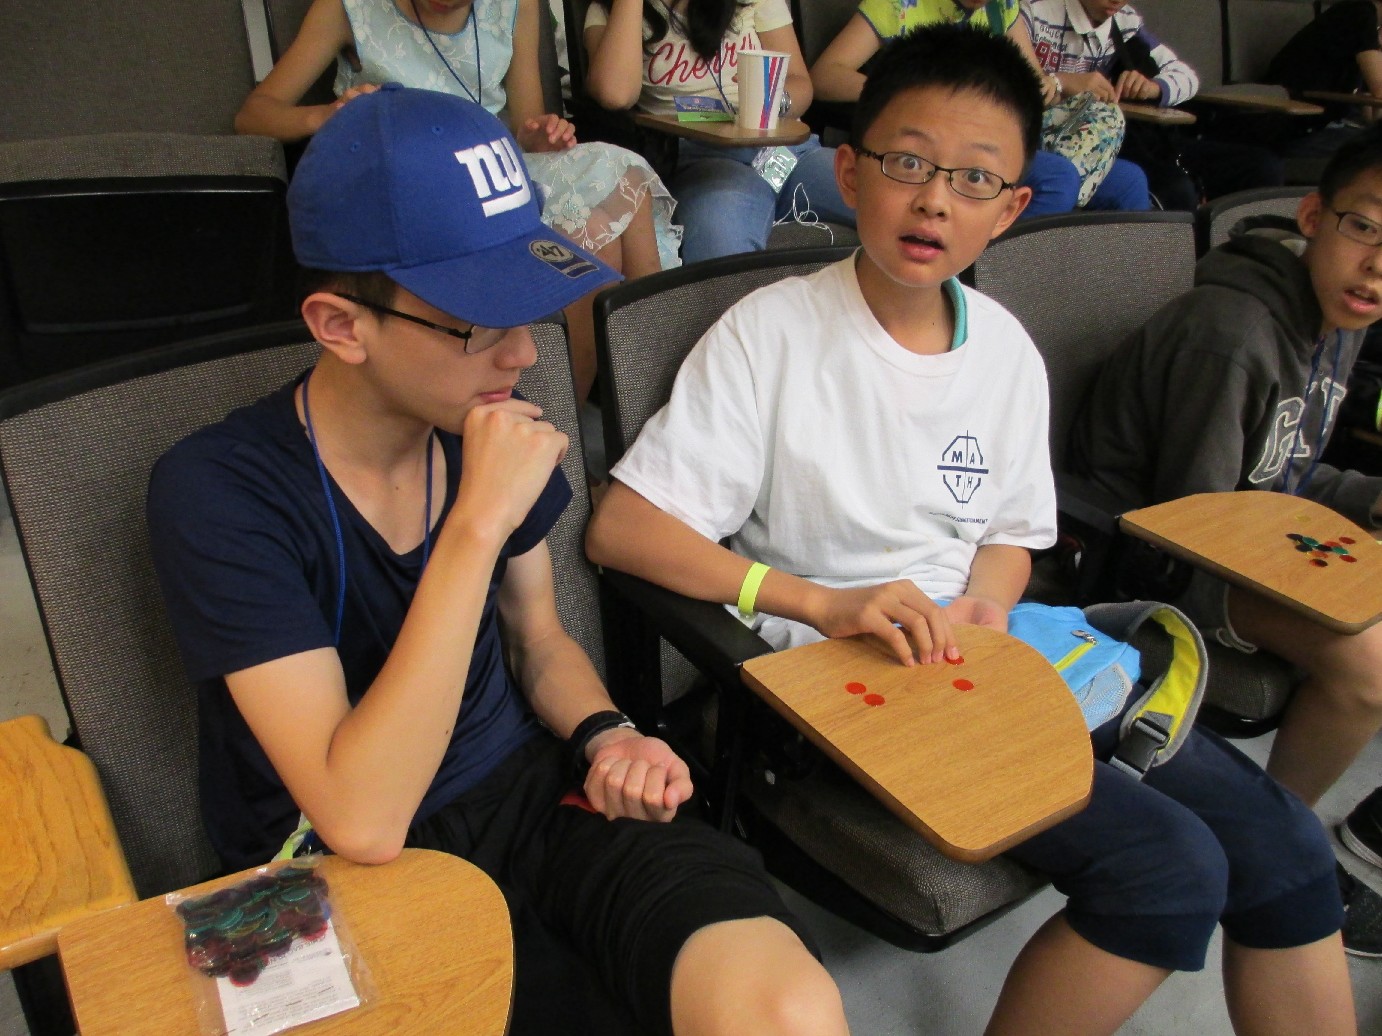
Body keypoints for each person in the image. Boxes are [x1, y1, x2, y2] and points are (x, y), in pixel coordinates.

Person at [587, 24, 1356, 1034]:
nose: (934, 201)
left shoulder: (1001, 348)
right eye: (907, 163)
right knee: (1168, 872)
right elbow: (624, 529)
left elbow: (1009, 533)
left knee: (1285, 848)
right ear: (850, 173)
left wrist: (988, 605)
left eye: (973, 178)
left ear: (1010, 208)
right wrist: (818, 602)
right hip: (836, 686)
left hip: (985, 662)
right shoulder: (770, 336)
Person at [149, 86, 848, 1036]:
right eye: (477, 322)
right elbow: (361, 817)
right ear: (342, 325)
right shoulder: (219, 493)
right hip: (335, 871)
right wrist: (474, 526)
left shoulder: (483, 425)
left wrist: (606, 734)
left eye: (526, 305)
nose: (524, 353)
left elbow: (536, 639)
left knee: (785, 1008)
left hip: (528, 795)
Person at [1071, 125, 1382, 957]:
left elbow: (1284, 472)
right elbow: (1199, 524)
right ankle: (1272, 842)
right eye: (1365, 228)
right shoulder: (1233, 335)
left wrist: (1368, 501)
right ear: (1314, 217)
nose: (1377, 267)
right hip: (1152, 559)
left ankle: (1290, 840)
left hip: (1244, 529)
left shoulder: (1339, 316)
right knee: (1368, 665)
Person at [236, 0, 677, 403]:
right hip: (415, 187)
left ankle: (638, 387)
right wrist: (330, 115)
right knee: (596, 235)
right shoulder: (348, 7)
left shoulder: (516, 5)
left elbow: (524, 124)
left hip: (493, 169)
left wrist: (537, 135)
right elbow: (254, 114)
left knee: (619, 173)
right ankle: (575, 409)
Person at [809, 0, 1152, 215]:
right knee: (1057, 178)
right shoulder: (899, 4)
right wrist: (912, 95)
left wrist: (1059, 83)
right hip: (938, 147)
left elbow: (1033, 85)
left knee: (1130, 181)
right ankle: (987, 278)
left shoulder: (1002, 9)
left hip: (998, 139)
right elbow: (825, 76)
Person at [583, 0, 858, 262]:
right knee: (720, 236)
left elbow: (800, 83)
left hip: (786, 151)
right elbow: (614, 94)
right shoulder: (609, 12)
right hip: (705, 161)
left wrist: (774, 99)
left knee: (876, 191)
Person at [1021, 0, 1285, 210]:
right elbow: (1011, 88)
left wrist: (1153, 87)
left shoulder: (1124, 21)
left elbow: (1187, 77)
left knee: (1263, 166)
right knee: (1168, 187)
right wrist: (1062, 82)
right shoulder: (1034, 11)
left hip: (1108, 138)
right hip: (1038, 135)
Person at [1264, 0, 1382, 157]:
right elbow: (1379, 90)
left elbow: (1372, 104)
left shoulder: (1367, 23)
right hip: (1297, 128)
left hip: (1327, 123)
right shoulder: (1359, 13)